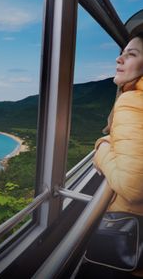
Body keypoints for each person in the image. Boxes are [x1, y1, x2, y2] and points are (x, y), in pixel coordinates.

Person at [76, 25, 143, 279]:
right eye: (122, 53)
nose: (119, 58)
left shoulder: (131, 101)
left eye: (132, 54)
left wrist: (102, 147)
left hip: (131, 246)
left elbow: (133, 186)